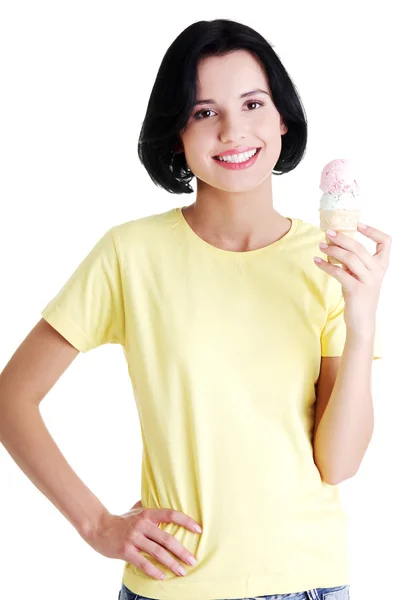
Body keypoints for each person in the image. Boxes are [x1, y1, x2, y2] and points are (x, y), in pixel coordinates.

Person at [1, 18, 388, 600]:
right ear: (177, 133)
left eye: (253, 103)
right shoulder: (130, 255)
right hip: (174, 586)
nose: (234, 132)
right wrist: (97, 524)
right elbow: (12, 397)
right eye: (205, 112)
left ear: (282, 117)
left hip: (311, 583)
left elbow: (339, 464)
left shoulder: (329, 262)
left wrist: (362, 323)